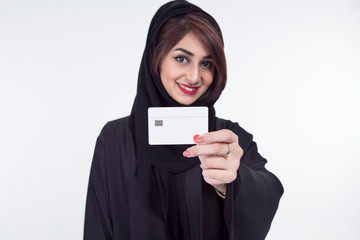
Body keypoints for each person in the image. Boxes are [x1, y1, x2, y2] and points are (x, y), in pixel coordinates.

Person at [84, 1, 283, 239]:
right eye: (182, 58)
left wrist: (233, 183)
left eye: (206, 63)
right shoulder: (115, 140)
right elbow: (98, 227)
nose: (194, 76)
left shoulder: (227, 138)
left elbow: (269, 188)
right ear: (155, 57)